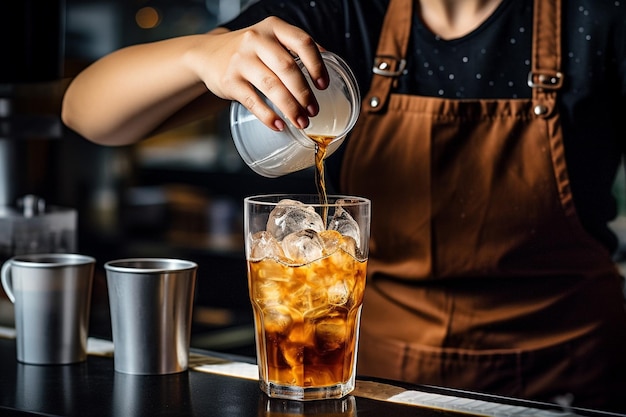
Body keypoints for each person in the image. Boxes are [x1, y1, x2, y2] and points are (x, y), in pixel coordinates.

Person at [62, 0, 626, 411]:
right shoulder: (344, 12)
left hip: (565, 383)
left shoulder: (596, 18)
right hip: (377, 386)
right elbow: (86, 111)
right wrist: (203, 52)